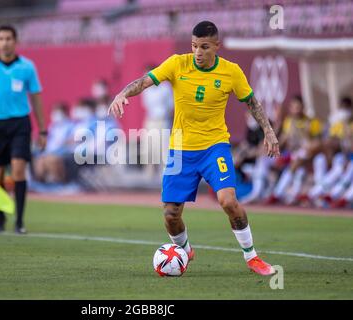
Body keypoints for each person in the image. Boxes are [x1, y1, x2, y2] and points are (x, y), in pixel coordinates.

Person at [108, 21, 280, 276]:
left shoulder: (231, 72)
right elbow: (145, 81)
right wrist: (123, 93)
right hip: (181, 150)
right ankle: (184, 250)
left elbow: (251, 102)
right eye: (194, 46)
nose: (198, 52)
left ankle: (252, 257)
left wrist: (269, 131)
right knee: (170, 214)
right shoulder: (178, 63)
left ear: (216, 46)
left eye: (204, 46)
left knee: (228, 201)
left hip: (215, 147)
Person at [0, 25, 47, 234]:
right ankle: (1, 217)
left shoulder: (27, 67)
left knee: (18, 170)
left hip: (20, 123)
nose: (5, 42)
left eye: (8, 38)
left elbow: (37, 98)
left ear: (16, 41)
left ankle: (20, 221)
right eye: (1, 38)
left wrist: (42, 130)